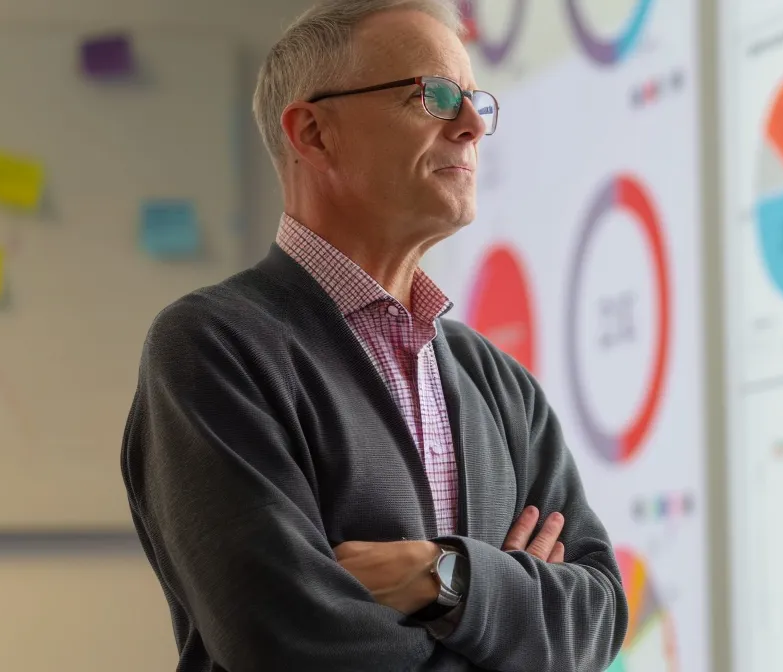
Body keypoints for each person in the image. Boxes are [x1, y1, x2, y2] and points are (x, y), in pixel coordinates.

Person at [119, 1, 626, 670]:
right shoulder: (212, 349)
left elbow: (598, 619)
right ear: (313, 132)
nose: (473, 125)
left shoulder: (498, 383)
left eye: (477, 101)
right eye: (436, 96)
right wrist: (505, 619)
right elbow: (288, 645)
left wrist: (443, 580)